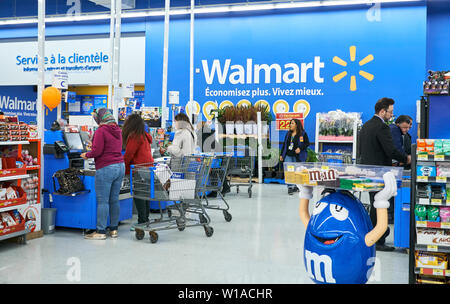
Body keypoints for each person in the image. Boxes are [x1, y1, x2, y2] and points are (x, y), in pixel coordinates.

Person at [358, 97, 410, 251]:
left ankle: (375, 236)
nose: (392, 115)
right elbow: (390, 150)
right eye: (390, 112)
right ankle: (378, 240)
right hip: (380, 171)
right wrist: (406, 158)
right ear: (382, 111)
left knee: (374, 203)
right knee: (380, 205)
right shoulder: (382, 127)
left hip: (367, 170)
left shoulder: (366, 126)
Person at [81, 108, 125, 240]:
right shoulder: (118, 130)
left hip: (106, 167)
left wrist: (86, 155)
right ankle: (114, 230)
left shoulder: (101, 130)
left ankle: (100, 231)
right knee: (114, 199)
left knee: (103, 201)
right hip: (120, 166)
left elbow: (97, 151)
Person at [122, 113, 154, 226]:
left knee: (139, 195)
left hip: (139, 169)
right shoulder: (144, 135)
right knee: (145, 195)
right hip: (148, 168)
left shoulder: (134, 136)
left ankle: (142, 221)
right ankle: (145, 219)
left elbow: (129, 154)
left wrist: (123, 169)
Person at [280, 119, 310, 195]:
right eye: (290, 123)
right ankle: (290, 187)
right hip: (288, 155)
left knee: (298, 171)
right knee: (289, 171)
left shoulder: (303, 134)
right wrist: (281, 155)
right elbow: (285, 144)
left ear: (297, 125)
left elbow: (307, 143)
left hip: (298, 156)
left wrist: (300, 148)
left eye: (292, 123)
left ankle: (297, 186)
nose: (290, 125)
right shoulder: (288, 134)